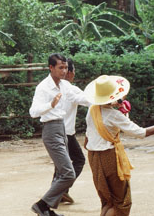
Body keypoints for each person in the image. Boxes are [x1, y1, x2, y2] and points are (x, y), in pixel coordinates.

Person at [84, 75, 154, 216]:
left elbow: (87, 140)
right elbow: (140, 133)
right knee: (121, 201)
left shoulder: (92, 110)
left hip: (93, 156)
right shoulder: (114, 116)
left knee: (107, 200)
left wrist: (120, 109)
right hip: (109, 157)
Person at [29, 53, 87, 216]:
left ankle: (46, 209)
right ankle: (41, 205)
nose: (64, 71)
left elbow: (82, 97)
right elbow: (33, 112)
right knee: (69, 173)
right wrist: (50, 104)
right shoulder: (43, 87)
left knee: (65, 171)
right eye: (60, 67)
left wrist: (105, 100)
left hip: (62, 129)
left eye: (66, 68)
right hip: (51, 130)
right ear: (51, 68)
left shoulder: (65, 86)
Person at [56, 58, 90, 204]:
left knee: (61, 164)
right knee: (79, 160)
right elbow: (89, 101)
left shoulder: (54, 87)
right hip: (67, 133)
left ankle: (59, 192)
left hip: (54, 131)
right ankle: (60, 190)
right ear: (70, 72)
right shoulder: (72, 89)